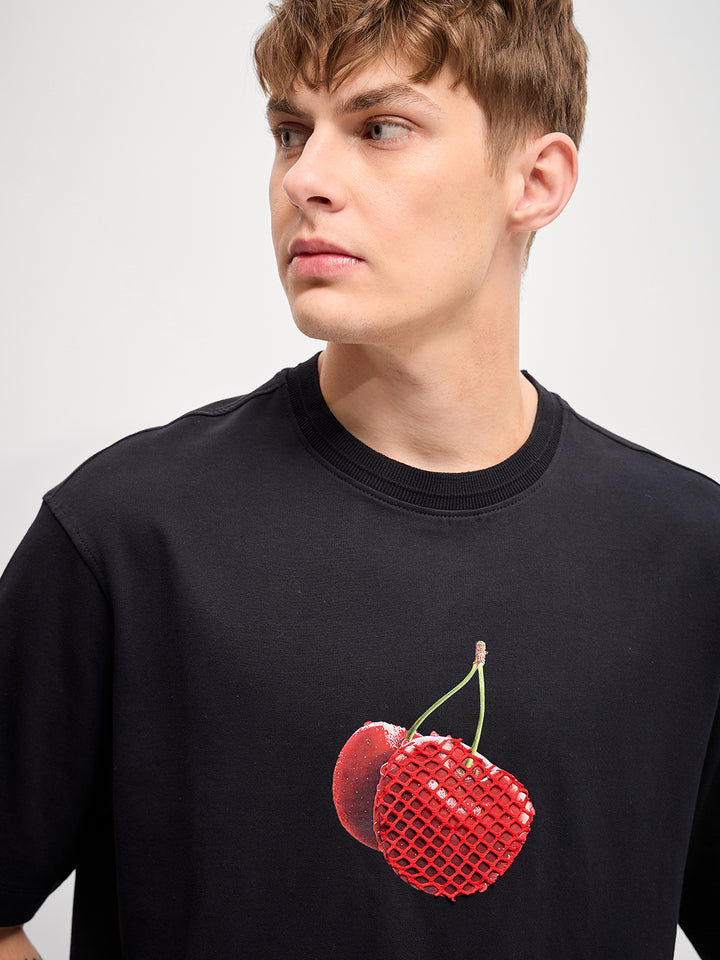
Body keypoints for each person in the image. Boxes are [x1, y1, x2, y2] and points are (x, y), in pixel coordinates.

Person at [1, 0, 718, 957]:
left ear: (536, 180)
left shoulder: (690, 560)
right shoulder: (126, 535)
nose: (305, 178)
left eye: (380, 128)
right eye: (289, 132)